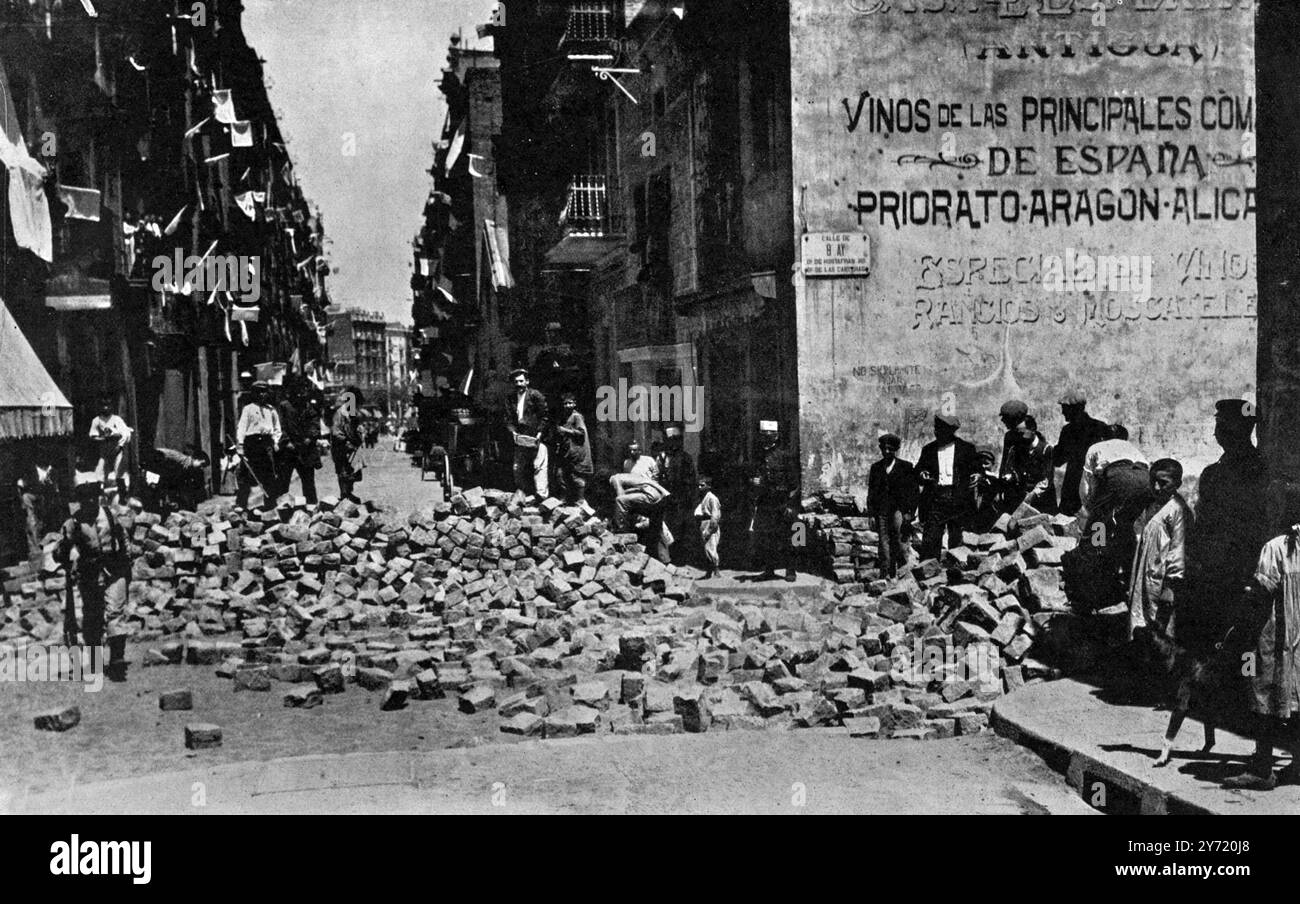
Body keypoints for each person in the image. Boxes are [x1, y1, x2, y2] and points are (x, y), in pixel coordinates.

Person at [1221, 490, 1300, 790]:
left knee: (1263, 699)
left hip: (1275, 638)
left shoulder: (1276, 547)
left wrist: (1235, 628)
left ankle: (1262, 769)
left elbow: (1261, 594)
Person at [1187, 399, 1270, 648]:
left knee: (1238, 635)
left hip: (1240, 567)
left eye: (1224, 426)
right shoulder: (1213, 472)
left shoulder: (1257, 469)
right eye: (1218, 426)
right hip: (1214, 567)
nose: (1218, 432)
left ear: (1243, 429)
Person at [55, 473, 131, 679]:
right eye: (85, 497)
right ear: (79, 499)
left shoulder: (109, 514)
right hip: (89, 574)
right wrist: (64, 553)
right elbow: (60, 550)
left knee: (115, 612)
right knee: (93, 618)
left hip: (114, 570)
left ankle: (117, 659)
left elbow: (123, 539)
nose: (90, 501)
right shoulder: (73, 523)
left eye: (93, 496)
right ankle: (96, 662)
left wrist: (126, 563)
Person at [1128, 458, 1192, 645]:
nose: (1156, 487)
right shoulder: (1153, 506)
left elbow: (1179, 550)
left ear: (1177, 484)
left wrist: (1171, 587)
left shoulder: (1178, 511)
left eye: (1163, 483)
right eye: (1153, 482)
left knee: (1160, 634)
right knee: (1141, 628)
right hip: (1145, 579)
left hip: (1162, 584)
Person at [916, 413, 981, 561]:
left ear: (950, 431)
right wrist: (922, 474)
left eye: (940, 429)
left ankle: (956, 576)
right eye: (936, 428)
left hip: (959, 499)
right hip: (935, 498)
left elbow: (977, 469)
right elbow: (918, 470)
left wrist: (977, 475)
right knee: (931, 539)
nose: (936, 432)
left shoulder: (966, 449)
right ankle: (928, 576)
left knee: (957, 541)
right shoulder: (929, 450)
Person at [747, 420, 800, 582]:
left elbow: (793, 482)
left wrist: (790, 504)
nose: (766, 438)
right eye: (763, 435)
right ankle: (769, 570)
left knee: (787, 537)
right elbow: (752, 474)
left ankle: (790, 570)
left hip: (781, 502)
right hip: (764, 502)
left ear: (776, 436)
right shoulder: (758, 455)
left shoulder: (784, 455)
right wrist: (754, 482)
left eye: (770, 435)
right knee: (765, 537)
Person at [867, 433, 918, 578]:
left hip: (899, 511)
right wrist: (871, 514)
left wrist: (910, 512)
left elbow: (913, 492)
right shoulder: (876, 468)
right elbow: (871, 493)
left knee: (901, 542)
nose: (886, 452)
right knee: (884, 544)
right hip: (882, 511)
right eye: (884, 448)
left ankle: (903, 574)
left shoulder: (906, 467)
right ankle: (886, 575)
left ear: (895, 449)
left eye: (890, 449)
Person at [1052, 389, 1109, 516]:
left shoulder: (1068, 431)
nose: (1062, 412)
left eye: (1065, 408)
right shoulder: (1101, 427)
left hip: (1074, 484)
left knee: (1067, 522)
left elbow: (1058, 459)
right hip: (1096, 483)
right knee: (1095, 521)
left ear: (1074, 409)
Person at [610, 453, 672, 563]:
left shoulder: (615, 478)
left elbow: (621, 497)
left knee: (619, 501)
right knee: (657, 528)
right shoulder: (629, 477)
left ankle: (622, 532)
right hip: (661, 498)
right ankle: (665, 560)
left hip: (651, 496)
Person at [235, 381, 282, 509]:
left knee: (269, 475)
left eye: (264, 391)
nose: (262, 394)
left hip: (266, 444)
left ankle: (270, 505)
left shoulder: (271, 410)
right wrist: (240, 445)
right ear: (254, 393)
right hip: (252, 444)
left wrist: (275, 442)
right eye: (259, 392)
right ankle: (241, 504)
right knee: (246, 474)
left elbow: (277, 428)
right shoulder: (248, 409)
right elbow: (242, 428)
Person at [505, 368, 549, 499]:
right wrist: (513, 432)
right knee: (518, 467)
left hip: (536, 435)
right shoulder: (510, 398)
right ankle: (522, 494)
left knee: (539, 465)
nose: (518, 384)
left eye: (521, 381)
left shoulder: (535, 395)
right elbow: (508, 418)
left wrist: (540, 433)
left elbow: (545, 416)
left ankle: (542, 496)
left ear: (527, 382)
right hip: (520, 436)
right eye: (516, 382)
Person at [999, 415, 1056, 514]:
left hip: (1043, 501)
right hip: (1022, 499)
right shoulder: (1015, 449)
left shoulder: (1046, 449)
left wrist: (1031, 495)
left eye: (1022, 433)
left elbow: (1046, 480)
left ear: (1032, 429)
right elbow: (1011, 469)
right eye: (1017, 434)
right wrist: (1010, 477)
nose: (1019, 437)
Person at [277, 380, 322, 504]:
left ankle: (311, 507)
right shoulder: (284, 406)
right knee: (283, 481)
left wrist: (310, 438)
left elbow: (315, 424)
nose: (300, 395)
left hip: (305, 450)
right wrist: (287, 441)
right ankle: (281, 507)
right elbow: (280, 426)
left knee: (308, 482)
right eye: (297, 392)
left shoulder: (308, 407)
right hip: (288, 450)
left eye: (302, 392)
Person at [657, 425, 697, 560]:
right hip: (667, 496)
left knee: (682, 526)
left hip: (681, 497)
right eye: (670, 439)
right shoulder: (662, 457)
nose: (673, 442)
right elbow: (658, 475)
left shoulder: (685, 457)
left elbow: (691, 478)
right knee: (668, 526)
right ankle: (670, 554)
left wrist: (689, 496)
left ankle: (681, 554)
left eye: (675, 439)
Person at [18, 454, 63, 559]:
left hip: (47, 500)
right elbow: (21, 486)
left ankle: (51, 550)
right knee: (33, 524)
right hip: (34, 500)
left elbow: (55, 488)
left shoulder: (52, 470)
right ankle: (37, 550)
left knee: (49, 524)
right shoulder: (31, 472)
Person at [553, 392, 593, 505]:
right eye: (565, 404)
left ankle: (580, 500)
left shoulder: (577, 416)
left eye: (570, 403)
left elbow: (581, 433)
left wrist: (565, 431)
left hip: (576, 451)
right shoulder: (564, 417)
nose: (567, 406)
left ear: (574, 404)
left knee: (576, 476)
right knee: (560, 475)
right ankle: (564, 498)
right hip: (567, 451)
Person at [89, 396, 133, 498]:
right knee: (100, 473)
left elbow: (125, 434)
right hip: (104, 450)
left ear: (111, 407)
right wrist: (104, 438)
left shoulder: (117, 419)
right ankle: (101, 499)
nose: (105, 408)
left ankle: (122, 499)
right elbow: (93, 436)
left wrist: (119, 443)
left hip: (117, 449)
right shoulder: (96, 420)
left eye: (107, 406)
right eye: (103, 406)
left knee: (119, 473)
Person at [330, 389, 363, 501]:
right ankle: (344, 494)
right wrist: (346, 441)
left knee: (353, 471)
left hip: (352, 447)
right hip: (340, 447)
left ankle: (349, 492)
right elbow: (336, 432)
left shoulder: (354, 413)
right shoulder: (340, 413)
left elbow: (357, 428)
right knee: (343, 472)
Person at [694, 475, 722, 578]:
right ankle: (709, 571)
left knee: (711, 548)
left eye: (702, 485)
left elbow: (715, 516)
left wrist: (710, 530)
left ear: (708, 486)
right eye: (698, 485)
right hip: (703, 522)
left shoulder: (712, 498)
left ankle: (716, 570)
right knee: (706, 549)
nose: (699, 487)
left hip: (709, 523)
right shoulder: (703, 497)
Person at [996, 399, 1029, 483]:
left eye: (1005, 417)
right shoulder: (1009, 436)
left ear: (1014, 418)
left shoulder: (1031, 437)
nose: (1002, 420)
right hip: (1010, 485)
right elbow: (1005, 461)